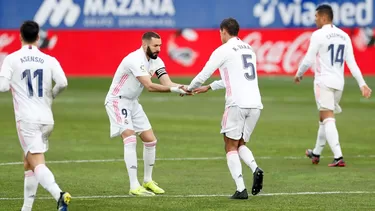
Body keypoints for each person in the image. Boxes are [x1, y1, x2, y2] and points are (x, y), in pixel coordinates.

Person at [185, 18, 264, 199]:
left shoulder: (223, 50)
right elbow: (238, 78)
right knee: (241, 143)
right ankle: (255, 168)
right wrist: (210, 87)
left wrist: (189, 89)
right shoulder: (249, 49)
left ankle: (241, 189)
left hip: (236, 103)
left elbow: (203, 74)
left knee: (230, 145)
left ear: (223, 31)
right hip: (255, 104)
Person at [104, 31, 187, 196]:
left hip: (133, 102)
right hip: (117, 101)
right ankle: (134, 186)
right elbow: (149, 86)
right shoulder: (135, 59)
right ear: (145, 45)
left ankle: (147, 181)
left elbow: (167, 83)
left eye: (160, 46)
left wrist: (184, 87)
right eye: (155, 46)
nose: (158, 49)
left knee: (150, 140)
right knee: (130, 138)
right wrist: (174, 89)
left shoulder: (156, 61)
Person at [0, 21, 70, 211]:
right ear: (39, 37)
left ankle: (59, 194)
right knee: (28, 161)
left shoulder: (12, 59)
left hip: (27, 119)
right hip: (47, 118)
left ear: (20, 36)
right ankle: (26, 208)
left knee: (36, 162)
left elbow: (3, 86)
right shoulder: (49, 59)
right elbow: (63, 82)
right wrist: (51, 96)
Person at [294, 4, 372, 167]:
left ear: (323, 18)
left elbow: (308, 59)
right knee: (323, 116)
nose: (314, 20)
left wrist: (299, 73)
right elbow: (352, 62)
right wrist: (362, 84)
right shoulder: (344, 36)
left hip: (324, 82)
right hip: (339, 84)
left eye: (316, 17)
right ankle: (316, 153)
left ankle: (338, 157)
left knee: (327, 116)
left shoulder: (318, 35)